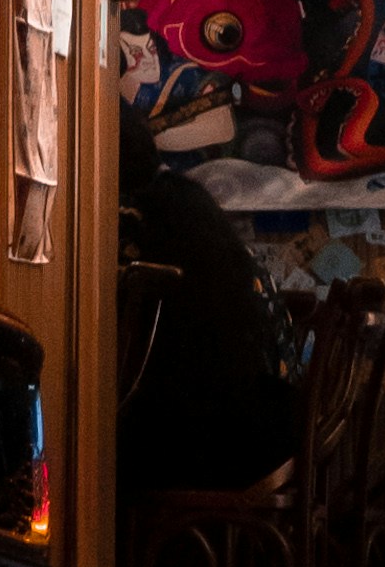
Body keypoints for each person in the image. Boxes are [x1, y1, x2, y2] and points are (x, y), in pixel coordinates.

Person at [115, 110, 297, 501]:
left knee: (86, 443)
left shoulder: (132, 219)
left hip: (219, 441)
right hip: (268, 423)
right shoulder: (188, 200)